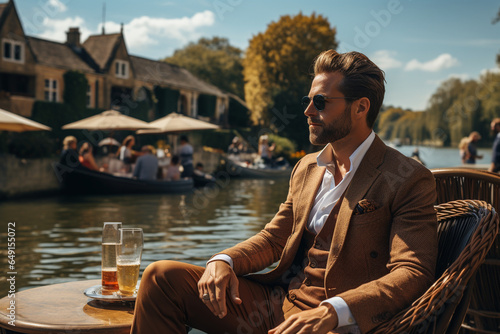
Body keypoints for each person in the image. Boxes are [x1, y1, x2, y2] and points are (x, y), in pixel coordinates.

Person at [131, 50, 438, 334]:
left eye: (320, 102)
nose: (307, 110)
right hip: (276, 304)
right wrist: (224, 260)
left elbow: (413, 271)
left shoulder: (408, 178)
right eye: (309, 100)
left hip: (335, 323)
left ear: (360, 107)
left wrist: (334, 311)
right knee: (161, 278)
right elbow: (275, 239)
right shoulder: (307, 168)